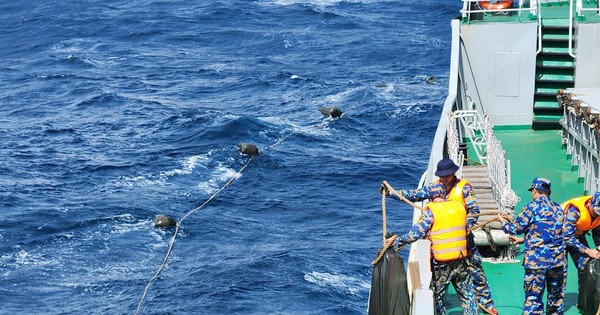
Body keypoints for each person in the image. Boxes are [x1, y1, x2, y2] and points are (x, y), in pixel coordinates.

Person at [381, 158, 498, 315]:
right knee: (462, 283)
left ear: (453, 173)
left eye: (447, 175)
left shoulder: (464, 188)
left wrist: (463, 226)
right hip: (444, 240)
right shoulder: (436, 187)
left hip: (463, 237)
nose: (444, 178)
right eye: (442, 175)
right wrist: (391, 194)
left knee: (476, 268)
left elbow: (474, 211)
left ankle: (486, 302)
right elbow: (415, 195)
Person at [394, 196, 477, 315]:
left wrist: (399, 241)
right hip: (461, 260)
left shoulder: (431, 211)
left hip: (442, 265)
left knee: (438, 297)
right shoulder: (458, 207)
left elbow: (415, 234)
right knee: (467, 295)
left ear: (431, 199)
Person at [498, 177, 566, 315]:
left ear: (535, 190)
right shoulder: (558, 208)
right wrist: (523, 240)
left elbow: (516, 228)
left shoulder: (531, 207)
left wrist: (503, 222)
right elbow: (552, 234)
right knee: (556, 299)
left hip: (536, 262)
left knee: (533, 299)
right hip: (557, 261)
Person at [561, 192, 600, 284]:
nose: (596, 214)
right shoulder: (575, 209)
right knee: (560, 271)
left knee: (586, 265)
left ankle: (583, 296)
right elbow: (567, 237)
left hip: (578, 234)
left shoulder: (598, 214)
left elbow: (597, 231)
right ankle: (557, 297)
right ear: (589, 203)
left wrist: (599, 247)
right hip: (560, 237)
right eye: (595, 211)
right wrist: (589, 251)